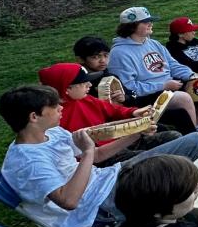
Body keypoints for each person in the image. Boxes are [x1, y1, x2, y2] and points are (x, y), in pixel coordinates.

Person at [0, 84, 198, 227]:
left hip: (109, 178)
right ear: (34, 116)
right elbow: (69, 201)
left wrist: (136, 134)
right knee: (173, 180)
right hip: (96, 205)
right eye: (53, 106)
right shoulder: (29, 161)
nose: (61, 107)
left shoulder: (52, 132)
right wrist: (87, 153)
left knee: (193, 141)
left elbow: (98, 155)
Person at [37, 62, 173, 163]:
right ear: (67, 89)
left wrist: (134, 112)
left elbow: (113, 110)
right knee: (156, 158)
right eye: (84, 83)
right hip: (102, 156)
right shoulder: (54, 117)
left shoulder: (85, 98)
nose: (90, 85)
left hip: (118, 140)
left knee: (171, 136)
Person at [106, 6, 198, 139]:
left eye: (150, 21)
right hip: (145, 96)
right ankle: (195, 138)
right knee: (183, 98)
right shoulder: (119, 53)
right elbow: (128, 88)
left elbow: (173, 65)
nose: (150, 24)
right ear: (131, 26)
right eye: (145, 22)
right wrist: (163, 86)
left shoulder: (153, 43)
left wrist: (193, 76)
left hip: (168, 87)